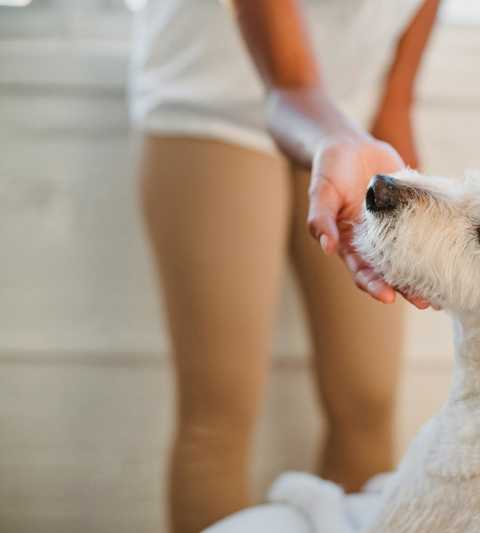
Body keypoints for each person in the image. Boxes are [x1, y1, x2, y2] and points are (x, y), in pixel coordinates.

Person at [130, 0, 439, 531]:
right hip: (214, 103)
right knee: (219, 416)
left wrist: (395, 112)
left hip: (350, 118)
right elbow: (290, 85)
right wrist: (339, 137)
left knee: (367, 401)